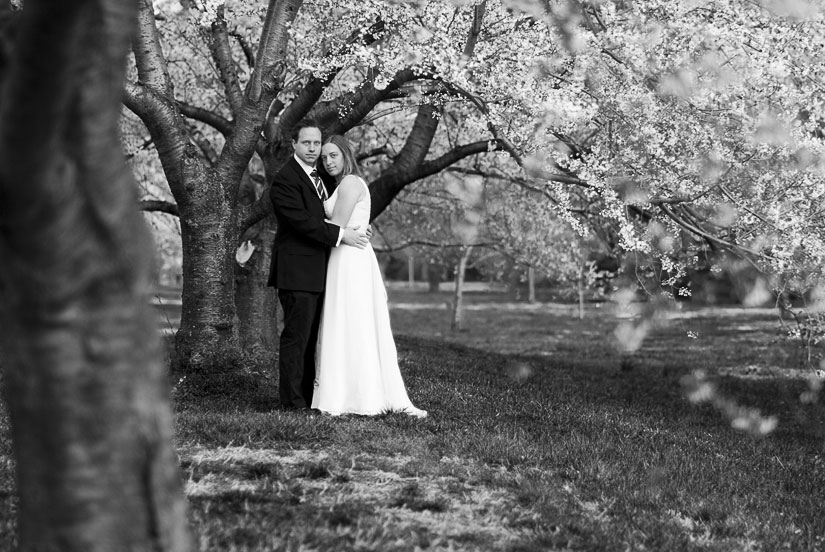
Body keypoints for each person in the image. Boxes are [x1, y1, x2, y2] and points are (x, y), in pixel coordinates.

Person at [311, 134, 427, 418]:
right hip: (345, 254)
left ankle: (358, 394)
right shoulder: (343, 185)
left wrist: (305, 221)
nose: (327, 162)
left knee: (351, 321)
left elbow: (336, 224)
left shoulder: (350, 183)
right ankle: (348, 389)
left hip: (349, 258)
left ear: (346, 155)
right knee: (348, 320)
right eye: (324, 158)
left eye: (333, 156)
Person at [268, 120, 369, 411]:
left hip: (321, 271)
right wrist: (342, 235)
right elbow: (303, 223)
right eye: (306, 143)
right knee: (296, 339)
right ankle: (292, 403)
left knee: (312, 340)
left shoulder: (320, 177)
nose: (313, 149)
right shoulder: (286, 179)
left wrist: (356, 228)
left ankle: (309, 398)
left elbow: (334, 213)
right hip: (297, 272)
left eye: (316, 143)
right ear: (294, 145)